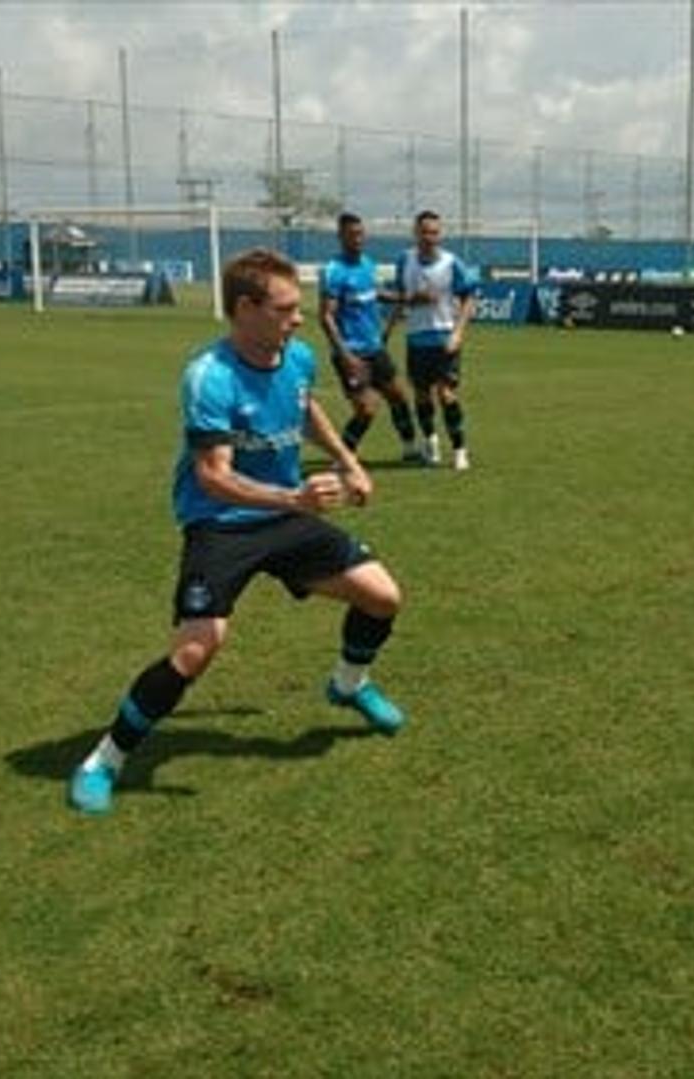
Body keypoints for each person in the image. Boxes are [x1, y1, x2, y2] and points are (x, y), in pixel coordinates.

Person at [68, 248, 409, 816]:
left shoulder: (296, 357)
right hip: (222, 523)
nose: (298, 319)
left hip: (286, 516)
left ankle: (349, 684)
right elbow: (213, 477)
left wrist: (349, 461)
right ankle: (104, 760)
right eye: (285, 308)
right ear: (246, 309)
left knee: (382, 597)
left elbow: (303, 411)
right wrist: (295, 497)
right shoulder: (210, 377)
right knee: (197, 650)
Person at [319, 212, 423, 460]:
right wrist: (346, 357)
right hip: (351, 353)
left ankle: (410, 448)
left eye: (360, 234)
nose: (358, 239)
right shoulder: (334, 271)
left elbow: (373, 293)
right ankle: (343, 457)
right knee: (367, 409)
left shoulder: (367, 263)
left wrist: (406, 298)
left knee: (398, 396)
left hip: (375, 349)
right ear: (340, 237)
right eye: (352, 235)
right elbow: (326, 317)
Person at [388, 210, 478, 470]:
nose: (429, 237)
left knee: (446, 394)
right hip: (416, 339)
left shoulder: (452, 263)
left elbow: (469, 298)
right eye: (424, 232)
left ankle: (460, 449)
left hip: (444, 336)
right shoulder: (404, 260)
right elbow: (402, 296)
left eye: (434, 232)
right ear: (416, 233)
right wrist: (388, 331)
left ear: (440, 234)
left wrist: (458, 333)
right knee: (422, 396)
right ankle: (431, 442)